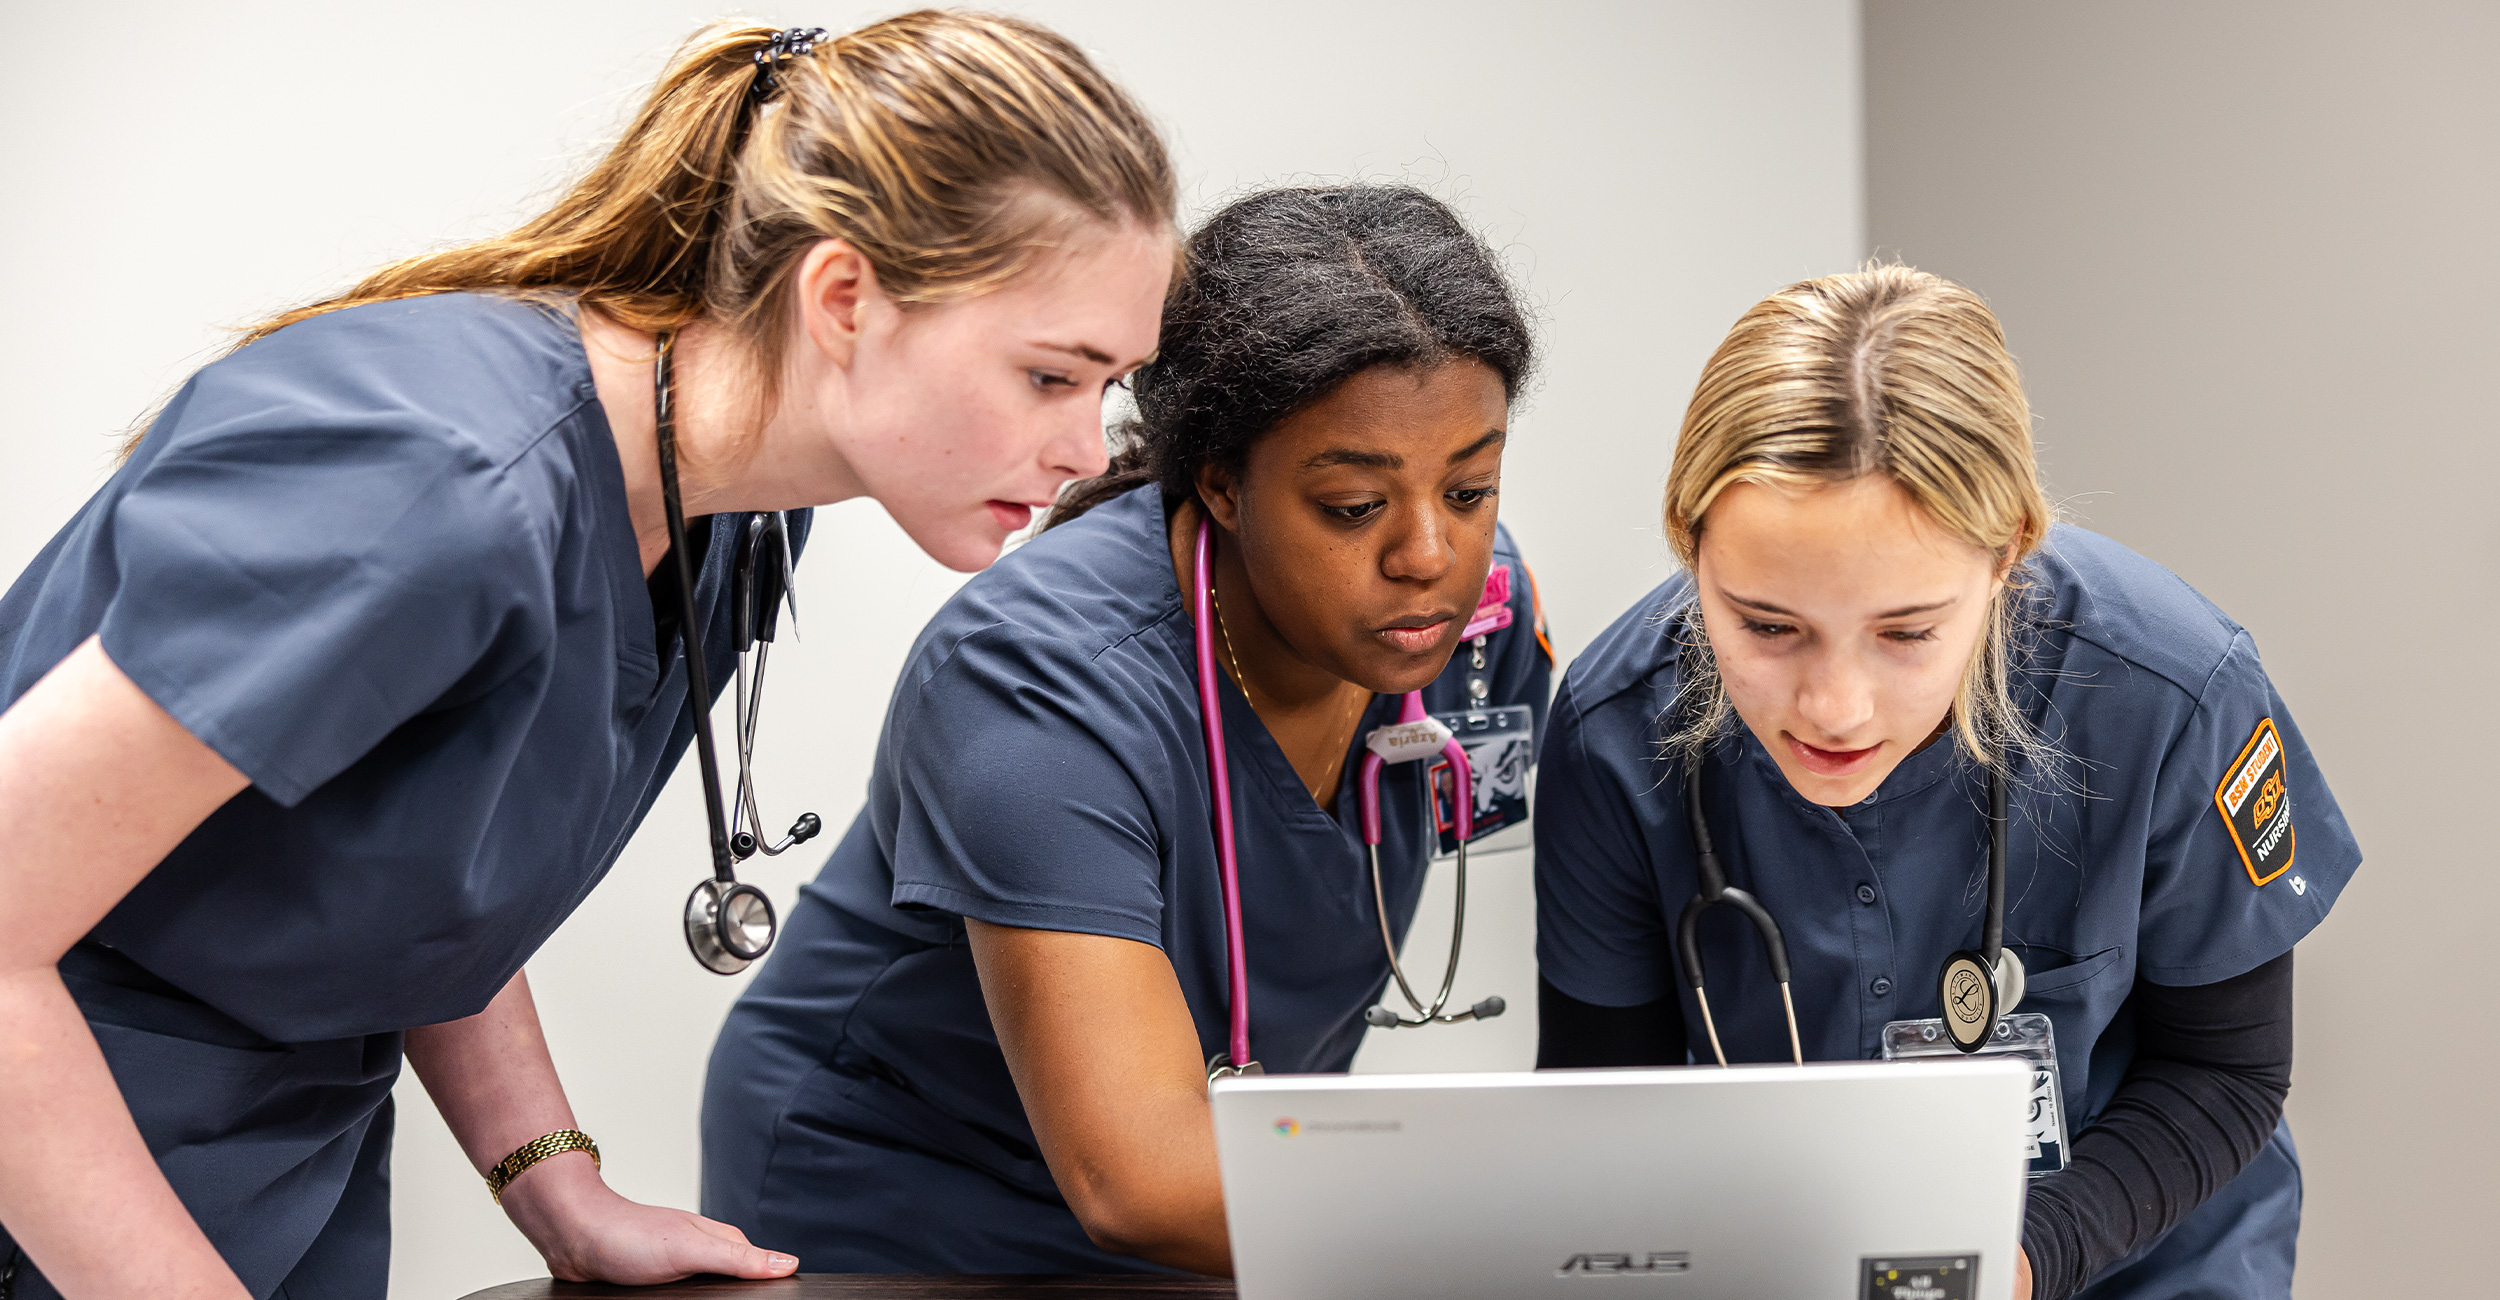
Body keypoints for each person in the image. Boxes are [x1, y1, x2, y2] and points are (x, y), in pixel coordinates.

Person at [0, 13, 1174, 1298]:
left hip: (279, 1168)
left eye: (1111, 388)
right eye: (1052, 377)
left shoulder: (721, 511)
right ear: (843, 298)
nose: (1085, 453)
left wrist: (557, 1186)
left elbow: (433, 851)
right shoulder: (433, 483)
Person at [700, 184, 1549, 1274]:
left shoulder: (1471, 627)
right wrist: (1553, 1223)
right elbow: (1139, 1180)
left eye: (1471, 486)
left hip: (1239, 1201)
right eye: (1352, 506)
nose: (1427, 553)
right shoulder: (1036, 683)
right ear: (1219, 484)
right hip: (911, 1204)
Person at [1532, 266, 2357, 1300]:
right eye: (1765, 626)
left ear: (2008, 549)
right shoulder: (1616, 727)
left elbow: (2223, 1071)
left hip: (2144, 1265)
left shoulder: (2170, 693)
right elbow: (1610, 1109)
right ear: (1689, 545)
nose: (1833, 706)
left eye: (1907, 632)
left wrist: (2010, 1267)